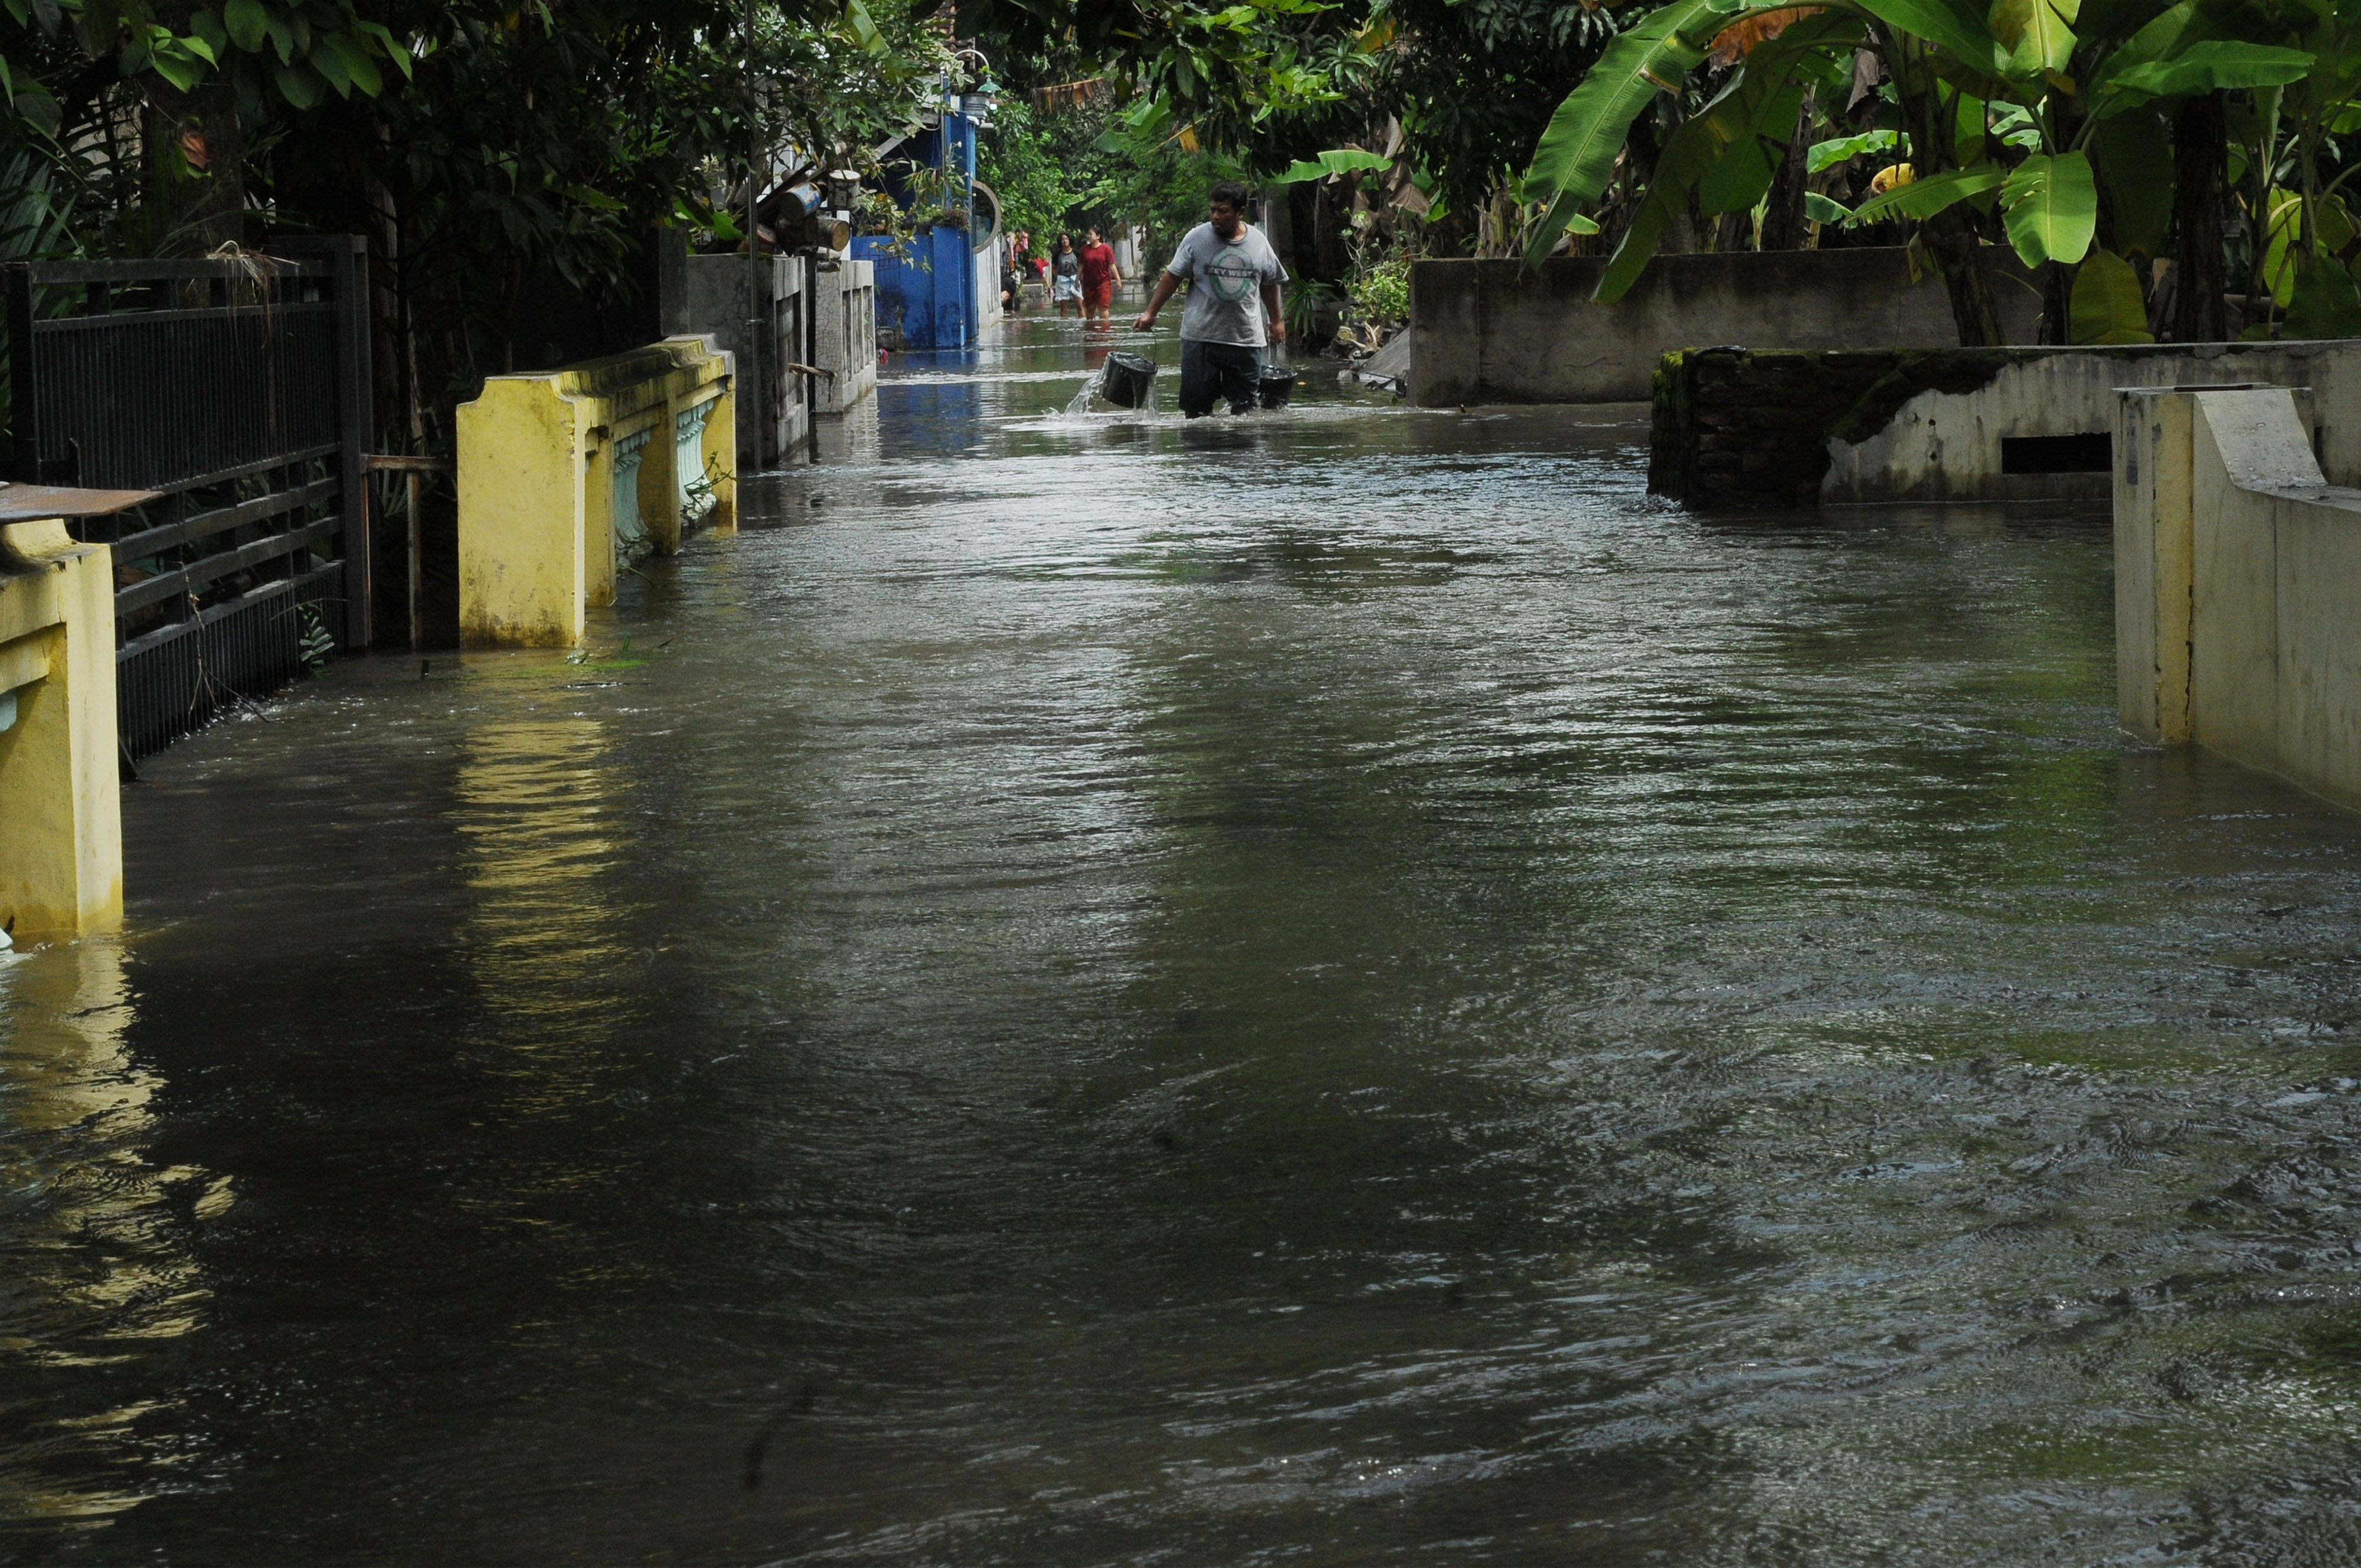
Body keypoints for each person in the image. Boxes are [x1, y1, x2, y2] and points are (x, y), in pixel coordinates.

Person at [1132, 181, 1286, 417]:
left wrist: (1276, 321)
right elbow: (1173, 277)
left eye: (1223, 211)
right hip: (1201, 339)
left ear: (1240, 212)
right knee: (1195, 412)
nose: (1215, 216)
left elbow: (1268, 283)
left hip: (1245, 340)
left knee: (1245, 411)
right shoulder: (1196, 238)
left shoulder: (1259, 242)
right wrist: (1151, 312)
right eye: (1212, 210)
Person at [1077, 227, 1122, 319]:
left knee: (1103, 308)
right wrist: (1077, 279)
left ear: (1098, 236)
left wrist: (1118, 280)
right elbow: (1081, 266)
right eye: (1088, 234)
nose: (1089, 236)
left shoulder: (1106, 249)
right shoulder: (1084, 250)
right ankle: (1090, 330)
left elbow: (1111, 265)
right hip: (1088, 283)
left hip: (1103, 282)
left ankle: (1105, 330)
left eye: (1091, 234)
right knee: (1090, 308)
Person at [1051, 233, 1083, 317]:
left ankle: (1083, 322)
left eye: (1067, 239)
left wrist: (1079, 278)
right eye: (1063, 239)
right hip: (1062, 280)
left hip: (1074, 279)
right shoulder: (1057, 254)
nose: (1065, 241)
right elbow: (1053, 267)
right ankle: (1063, 324)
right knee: (1063, 307)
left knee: (1079, 305)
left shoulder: (1076, 253)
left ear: (1070, 240)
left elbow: (1081, 266)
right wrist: (1058, 277)